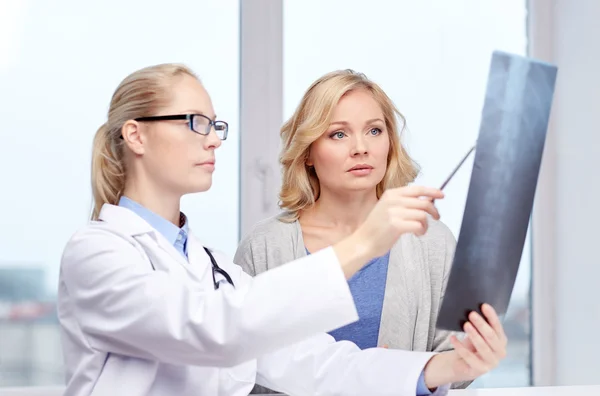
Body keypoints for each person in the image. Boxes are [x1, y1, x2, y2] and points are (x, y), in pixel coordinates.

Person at [57, 63, 507, 396]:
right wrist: (366, 244)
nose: (213, 138)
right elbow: (219, 330)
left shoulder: (209, 266)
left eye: (214, 126)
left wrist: (444, 367)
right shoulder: (97, 254)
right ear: (136, 136)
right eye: (195, 122)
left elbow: (315, 363)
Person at [234, 69, 484, 392]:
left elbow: (459, 366)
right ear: (308, 152)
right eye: (338, 134)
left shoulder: (432, 242)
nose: (361, 148)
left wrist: (406, 374)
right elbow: (241, 371)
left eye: (375, 131)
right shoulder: (265, 247)